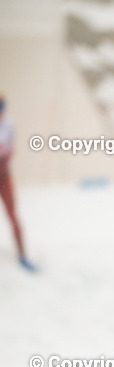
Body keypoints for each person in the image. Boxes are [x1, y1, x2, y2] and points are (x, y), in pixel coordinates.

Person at [0, 96, 32, 271]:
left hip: (4, 176)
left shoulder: (9, 125)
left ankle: (22, 254)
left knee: (12, 214)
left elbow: (12, 149)